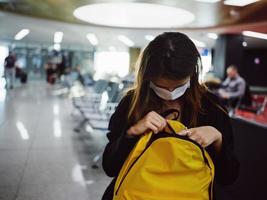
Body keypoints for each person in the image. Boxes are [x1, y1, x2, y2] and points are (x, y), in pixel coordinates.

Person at [102, 32, 239, 200]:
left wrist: (218, 139)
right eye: (161, 86)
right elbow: (109, 167)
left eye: (179, 85)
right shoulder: (132, 103)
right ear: (147, 76)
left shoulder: (211, 107)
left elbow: (229, 177)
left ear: (192, 74)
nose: (170, 93)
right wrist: (132, 133)